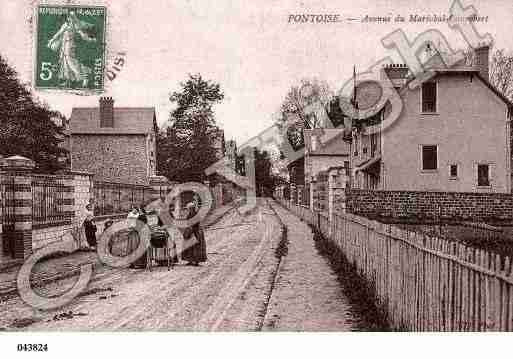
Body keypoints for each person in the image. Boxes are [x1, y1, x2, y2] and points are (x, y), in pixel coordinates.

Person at [181, 202, 207, 266]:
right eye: (188, 209)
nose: (188, 210)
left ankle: (196, 261)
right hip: (190, 231)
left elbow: (196, 224)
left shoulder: (196, 215)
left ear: (192, 208)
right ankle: (190, 260)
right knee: (189, 246)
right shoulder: (189, 214)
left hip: (196, 232)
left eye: (189, 208)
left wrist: (191, 228)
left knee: (196, 247)